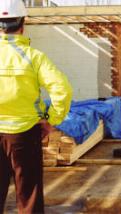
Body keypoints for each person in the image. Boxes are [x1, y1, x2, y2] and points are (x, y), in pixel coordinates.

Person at [0, 0, 72, 213]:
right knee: (28, 194)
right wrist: (52, 120)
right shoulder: (34, 57)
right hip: (24, 135)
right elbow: (62, 89)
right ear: (23, 23)